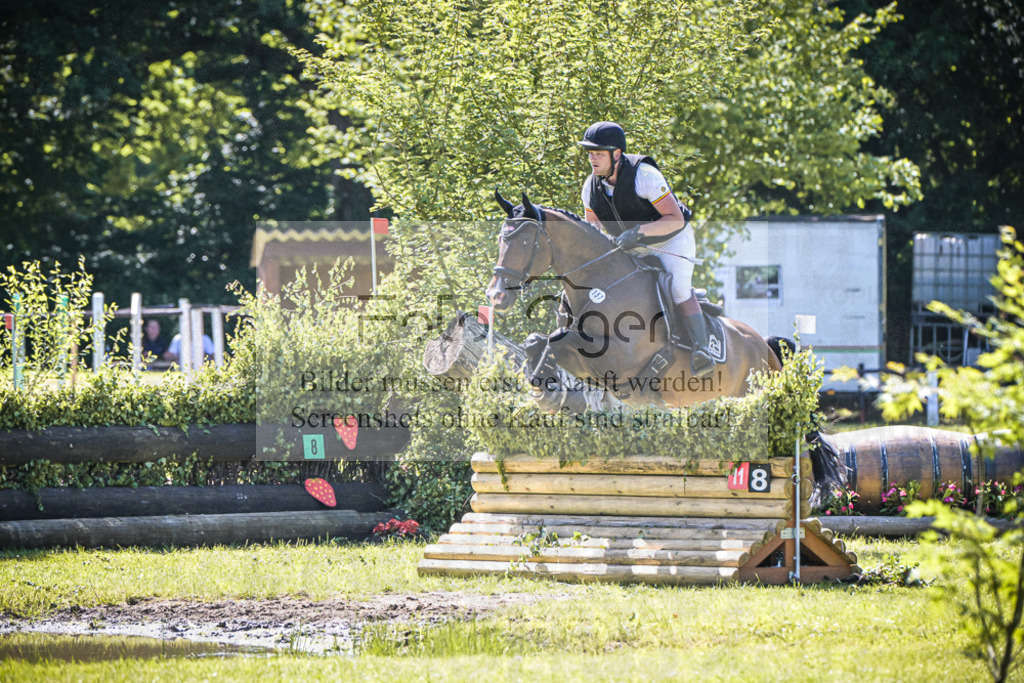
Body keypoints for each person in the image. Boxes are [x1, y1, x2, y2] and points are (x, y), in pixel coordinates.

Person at [577, 121, 714, 377]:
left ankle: (701, 348)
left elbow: (675, 218)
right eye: (590, 153)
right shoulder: (590, 187)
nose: (592, 159)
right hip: (632, 247)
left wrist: (639, 232)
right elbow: (592, 231)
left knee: (678, 288)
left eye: (598, 153)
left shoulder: (644, 176)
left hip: (670, 240)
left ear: (616, 154)